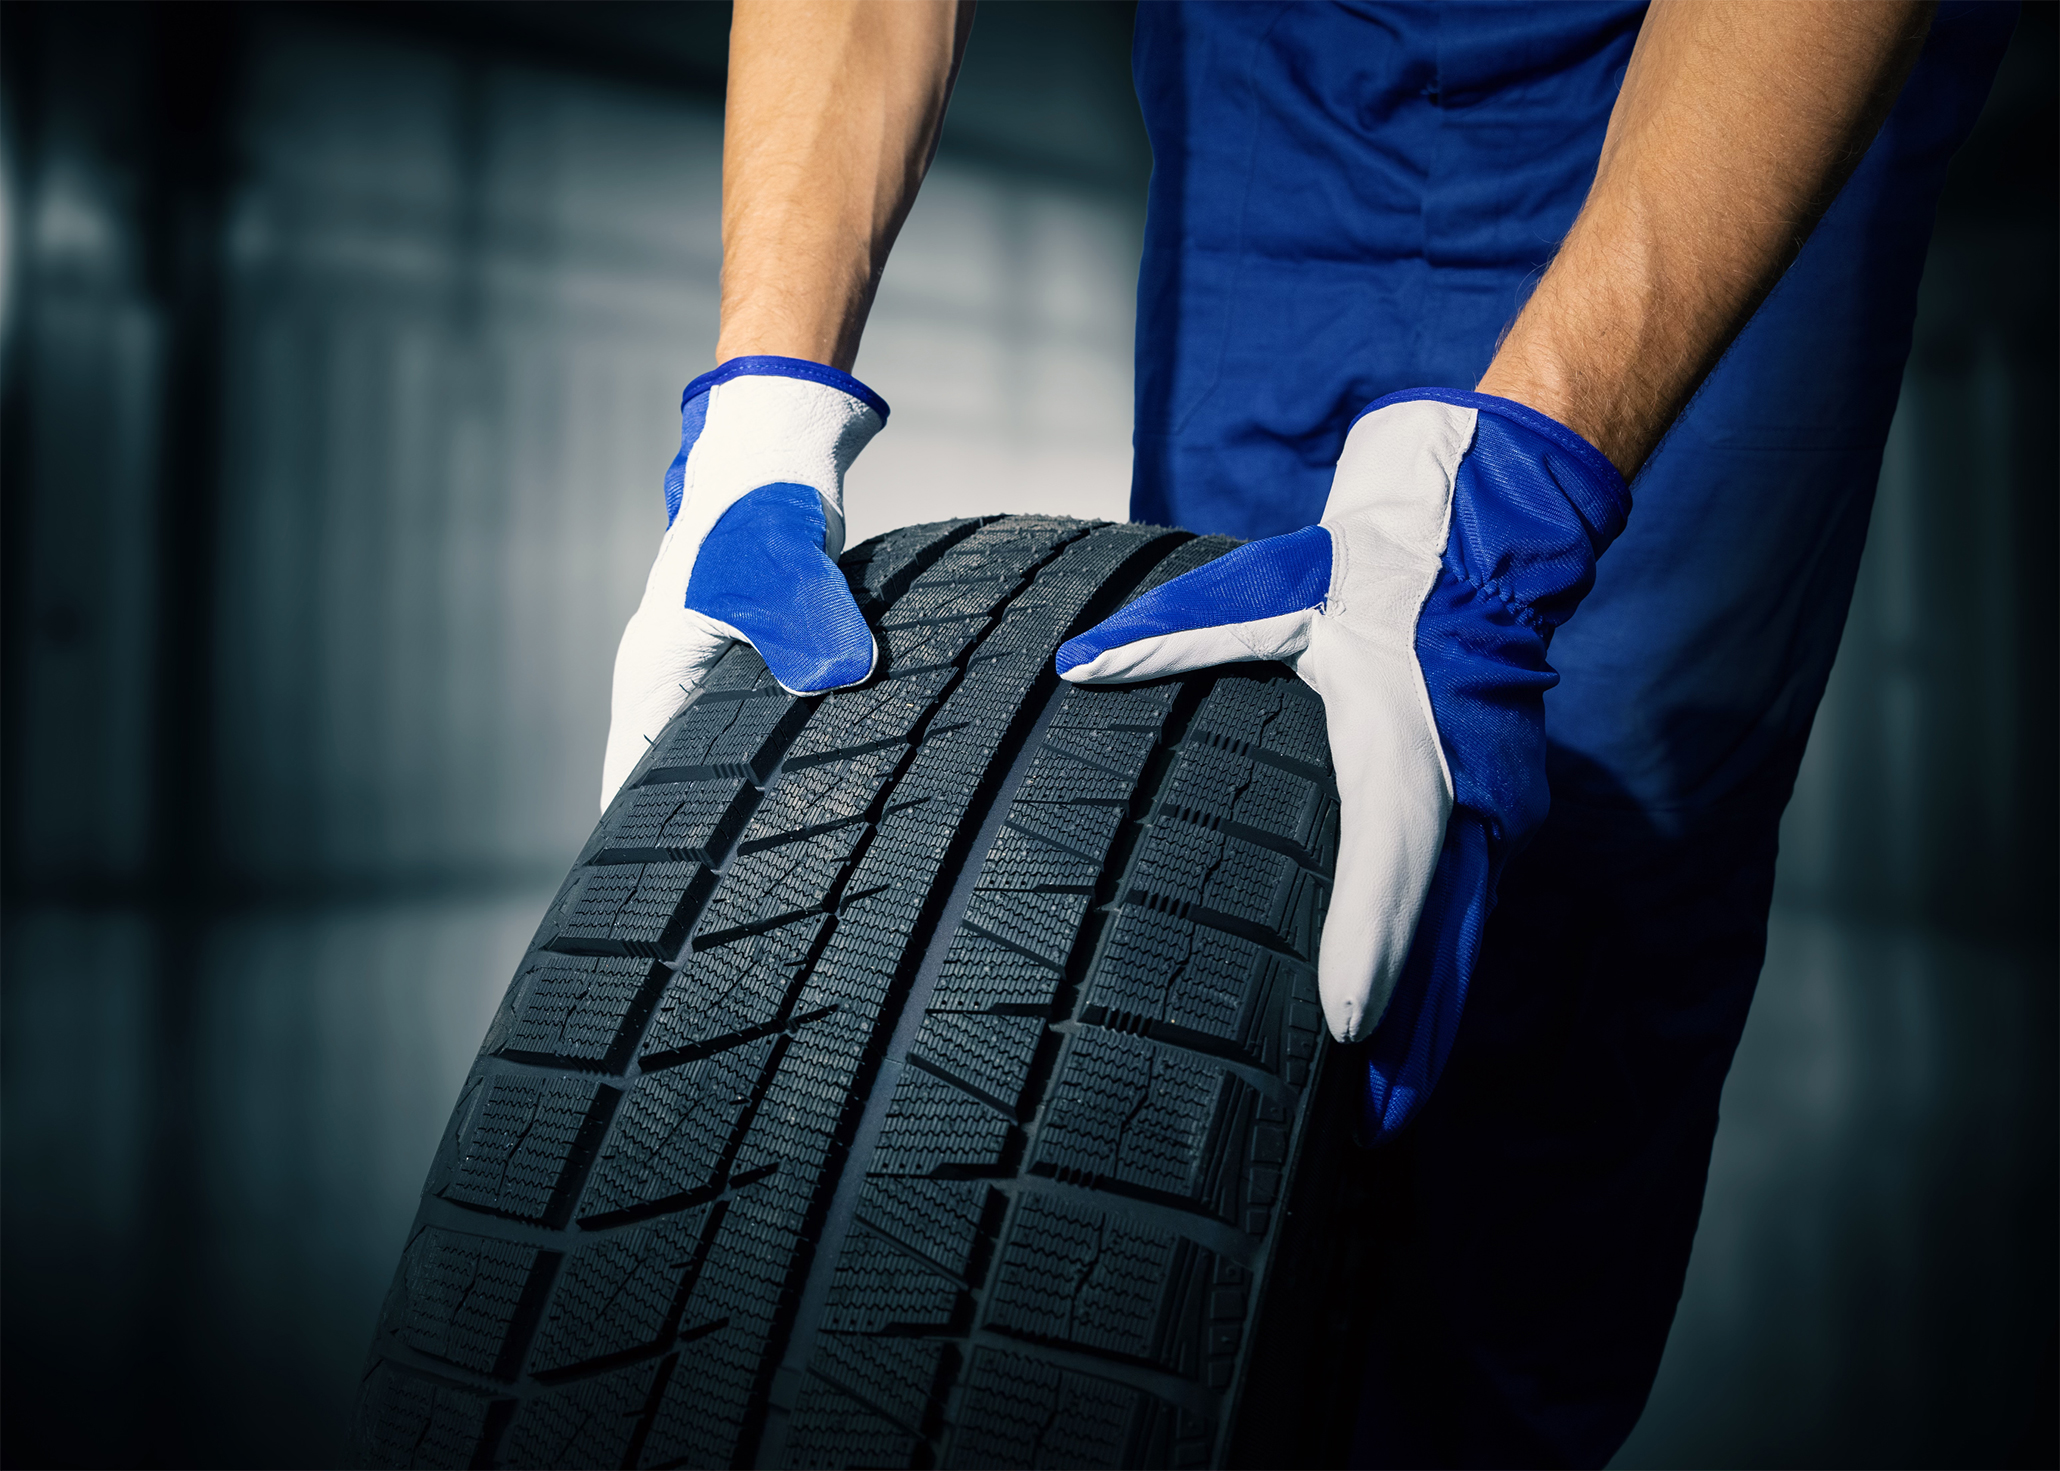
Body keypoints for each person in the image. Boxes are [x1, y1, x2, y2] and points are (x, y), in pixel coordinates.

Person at [599, 3, 2014, 1463]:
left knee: (1565, 902)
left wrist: (1515, 503)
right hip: (1286, 66)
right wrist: (762, 405)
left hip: (1703, 66)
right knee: (1224, 844)